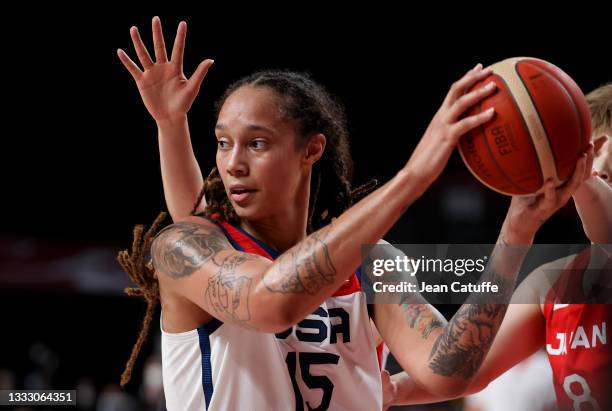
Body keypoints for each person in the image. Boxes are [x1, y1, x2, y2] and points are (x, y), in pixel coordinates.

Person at [116, 17, 589, 410]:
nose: (233, 162)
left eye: (257, 143)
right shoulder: (183, 248)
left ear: (311, 149)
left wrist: (518, 229)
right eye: (222, 143)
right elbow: (271, 302)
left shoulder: (373, 264)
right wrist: (413, 178)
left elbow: (448, 372)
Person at [383, 83, 612, 411]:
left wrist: (579, 169)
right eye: (590, 152)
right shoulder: (551, 283)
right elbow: (466, 369)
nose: (596, 165)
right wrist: (394, 390)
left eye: (599, 154)